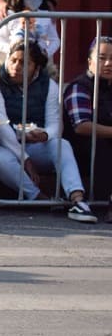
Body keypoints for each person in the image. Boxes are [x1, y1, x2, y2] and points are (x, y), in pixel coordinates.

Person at [0, 39, 96, 223]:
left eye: (24, 63)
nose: (16, 67)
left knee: (62, 145)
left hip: (36, 143)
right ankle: (38, 197)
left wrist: (45, 135)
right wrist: (25, 158)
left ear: (36, 68)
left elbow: (55, 124)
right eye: (13, 60)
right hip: (10, 145)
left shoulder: (49, 85)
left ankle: (78, 199)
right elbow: (1, 127)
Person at [62, 36, 112, 223]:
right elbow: (81, 126)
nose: (108, 63)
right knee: (100, 143)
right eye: (101, 58)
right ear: (90, 61)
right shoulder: (80, 87)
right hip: (84, 151)